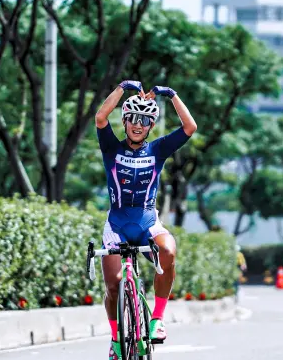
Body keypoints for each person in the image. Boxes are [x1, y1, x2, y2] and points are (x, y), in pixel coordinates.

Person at [95, 80, 197, 359]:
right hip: (116, 225)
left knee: (168, 250)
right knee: (114, 285)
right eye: (133, 119)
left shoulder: (158, 149)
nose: (138, 125)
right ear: (125, 121)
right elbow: (101, 117)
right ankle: (116, 340)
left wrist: (172, 95)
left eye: (145, 120)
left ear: (151, 125)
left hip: (147, 221)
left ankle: (157, 319)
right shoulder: (111, 149)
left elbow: (190, 128)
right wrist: (121, 88)